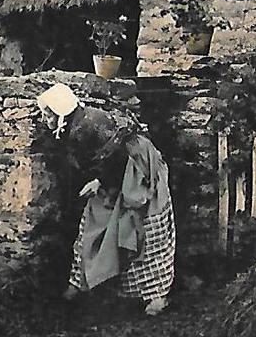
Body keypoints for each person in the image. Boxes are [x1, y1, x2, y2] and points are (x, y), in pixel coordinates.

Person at [36, 83, 175, 316]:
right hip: (114, 173)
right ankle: (79, 283)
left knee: (147, 228)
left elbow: (118, 154)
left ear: (61, 112)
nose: (44, 117)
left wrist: (99, 182)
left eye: (48, 113)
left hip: (138, 168)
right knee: (92, 221)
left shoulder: (86, 125)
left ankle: (157, 296)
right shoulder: (75, 125)